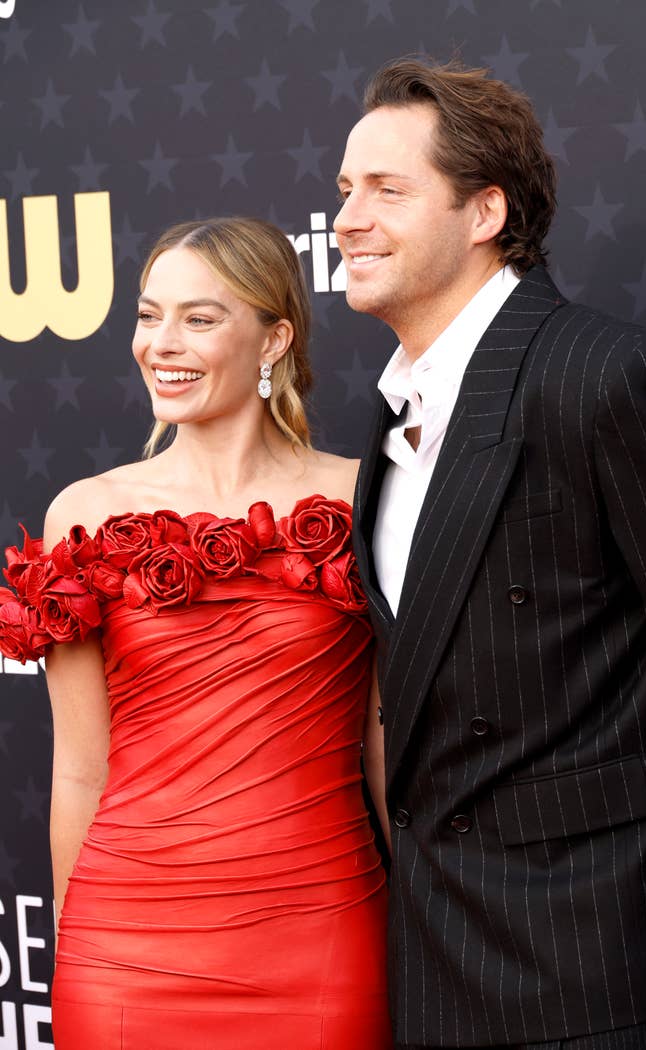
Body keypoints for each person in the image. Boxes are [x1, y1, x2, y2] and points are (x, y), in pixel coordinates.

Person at [333, 57, 646, 1050]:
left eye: (386, 190)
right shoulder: (392, 409)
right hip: (438, 969)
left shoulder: (600, 378)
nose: (347, 218)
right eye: (343, 191)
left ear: (484, 210)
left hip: (599, 974)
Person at [0, 216, 392, 1049]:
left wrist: (441, 934)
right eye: (148, 315)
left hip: (320, 937)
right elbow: (78, 769)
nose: (160, 343)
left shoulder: (365, 502)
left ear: (274, 338)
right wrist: (76, 940)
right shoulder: (87, 512)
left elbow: (385, 750)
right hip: (126, 951)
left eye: (199, 318)